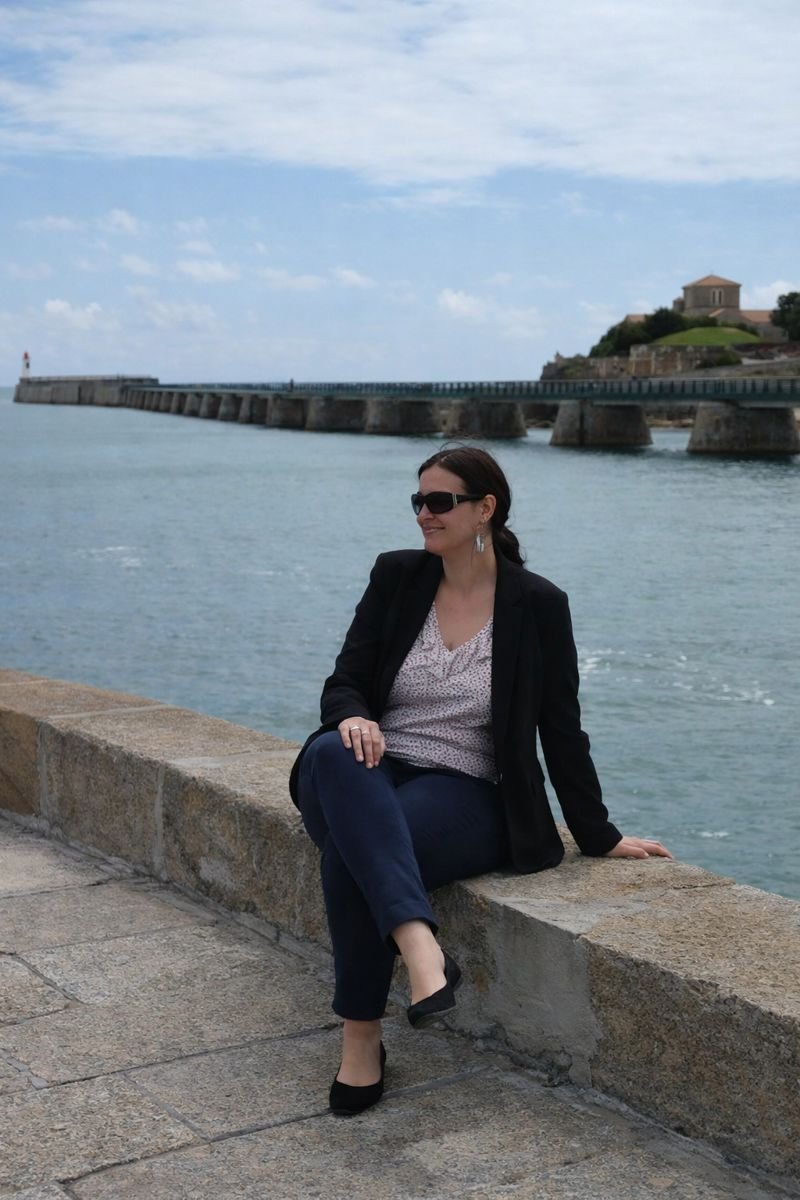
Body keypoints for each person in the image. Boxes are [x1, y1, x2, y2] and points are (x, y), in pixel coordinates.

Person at [289, 444, 671, 1117]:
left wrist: (598, 834)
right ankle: (418, 942)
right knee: (329, 754)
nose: (423, 516)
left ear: (484, 509)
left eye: (439, 502)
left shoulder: (538, 605)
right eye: (418, 501)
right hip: (374, 764)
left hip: (466, 788)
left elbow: (562, 727)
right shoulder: (397, 577)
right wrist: (353, 717)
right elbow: (346, 679)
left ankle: (361, 1040)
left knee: (358, 852)